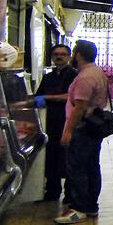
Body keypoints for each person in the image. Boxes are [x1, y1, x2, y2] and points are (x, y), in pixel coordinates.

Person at [56, 39, 110, 225]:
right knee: (92, 166)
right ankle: (91, 206)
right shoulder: (97, 73)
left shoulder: (85, 77)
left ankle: (79, 208)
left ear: (78, 55)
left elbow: (79, 107)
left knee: (78, 167)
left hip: (82, 129)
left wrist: (68, 131)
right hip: (92, 128)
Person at [34, 43, 77, 208]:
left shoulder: (73, 75)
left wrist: (49, 98)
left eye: (63, 54)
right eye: (56, 54)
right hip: (49, 122)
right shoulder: (48, 77)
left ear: (69, 57)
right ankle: (52, 191)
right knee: (51, 157)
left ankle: (70, 194)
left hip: (66, 121)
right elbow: (39, 95)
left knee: (67, 158)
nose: (59, 57)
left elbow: (72, 97)